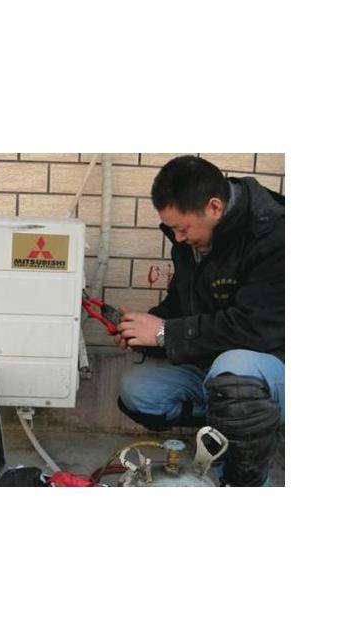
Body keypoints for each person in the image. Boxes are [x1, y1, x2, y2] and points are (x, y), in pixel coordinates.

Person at [116, 155, 284, 486]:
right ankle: (231, 425)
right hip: (216, 369)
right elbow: (183, 306)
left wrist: (164, 333)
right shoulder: (193, 241)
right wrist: (144, 329)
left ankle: (244, 480)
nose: (178, 238)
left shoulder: (274, 235)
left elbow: (255, 328)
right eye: (172, 229)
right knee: (138, 389)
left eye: (182, 228)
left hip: (271, 367)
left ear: (215, 207)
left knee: (234, 377)